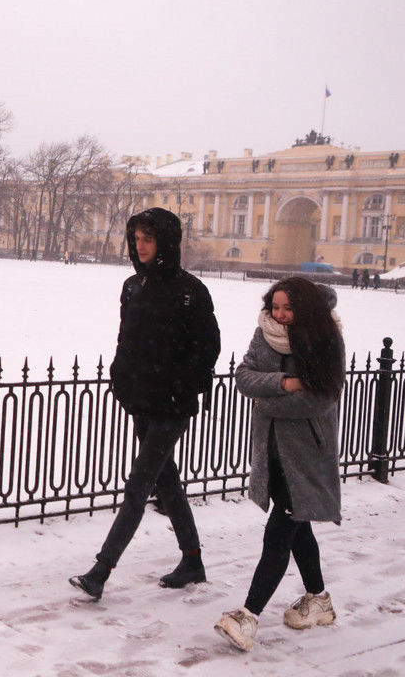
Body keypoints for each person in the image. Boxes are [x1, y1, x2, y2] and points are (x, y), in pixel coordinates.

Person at [69, 207, 221, 600]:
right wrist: (121, 380)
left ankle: (101, 570)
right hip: (141, 400)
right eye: (136, 238)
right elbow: (127, 341)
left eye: (148, 239)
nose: (140, 246)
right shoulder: (132, 286)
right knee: (167, 482)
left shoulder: (191, 291)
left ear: (165, 242)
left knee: (138, 486)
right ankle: (192, 560)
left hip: (172, 406)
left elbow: (207, 348)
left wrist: (182, 389)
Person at [214, 277, 344, 652]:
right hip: (271, 451)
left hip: (306, 455)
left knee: (278, 535)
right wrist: (285, 382)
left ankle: (248, 616)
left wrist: (267, 401)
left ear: (304, 308)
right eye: (276, 307)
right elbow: (243, 376)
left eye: (289, 308)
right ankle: (318, 599)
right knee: (297, 529)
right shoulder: (264, 333)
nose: (282, 315)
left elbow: (320, 398)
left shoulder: (325, 339)